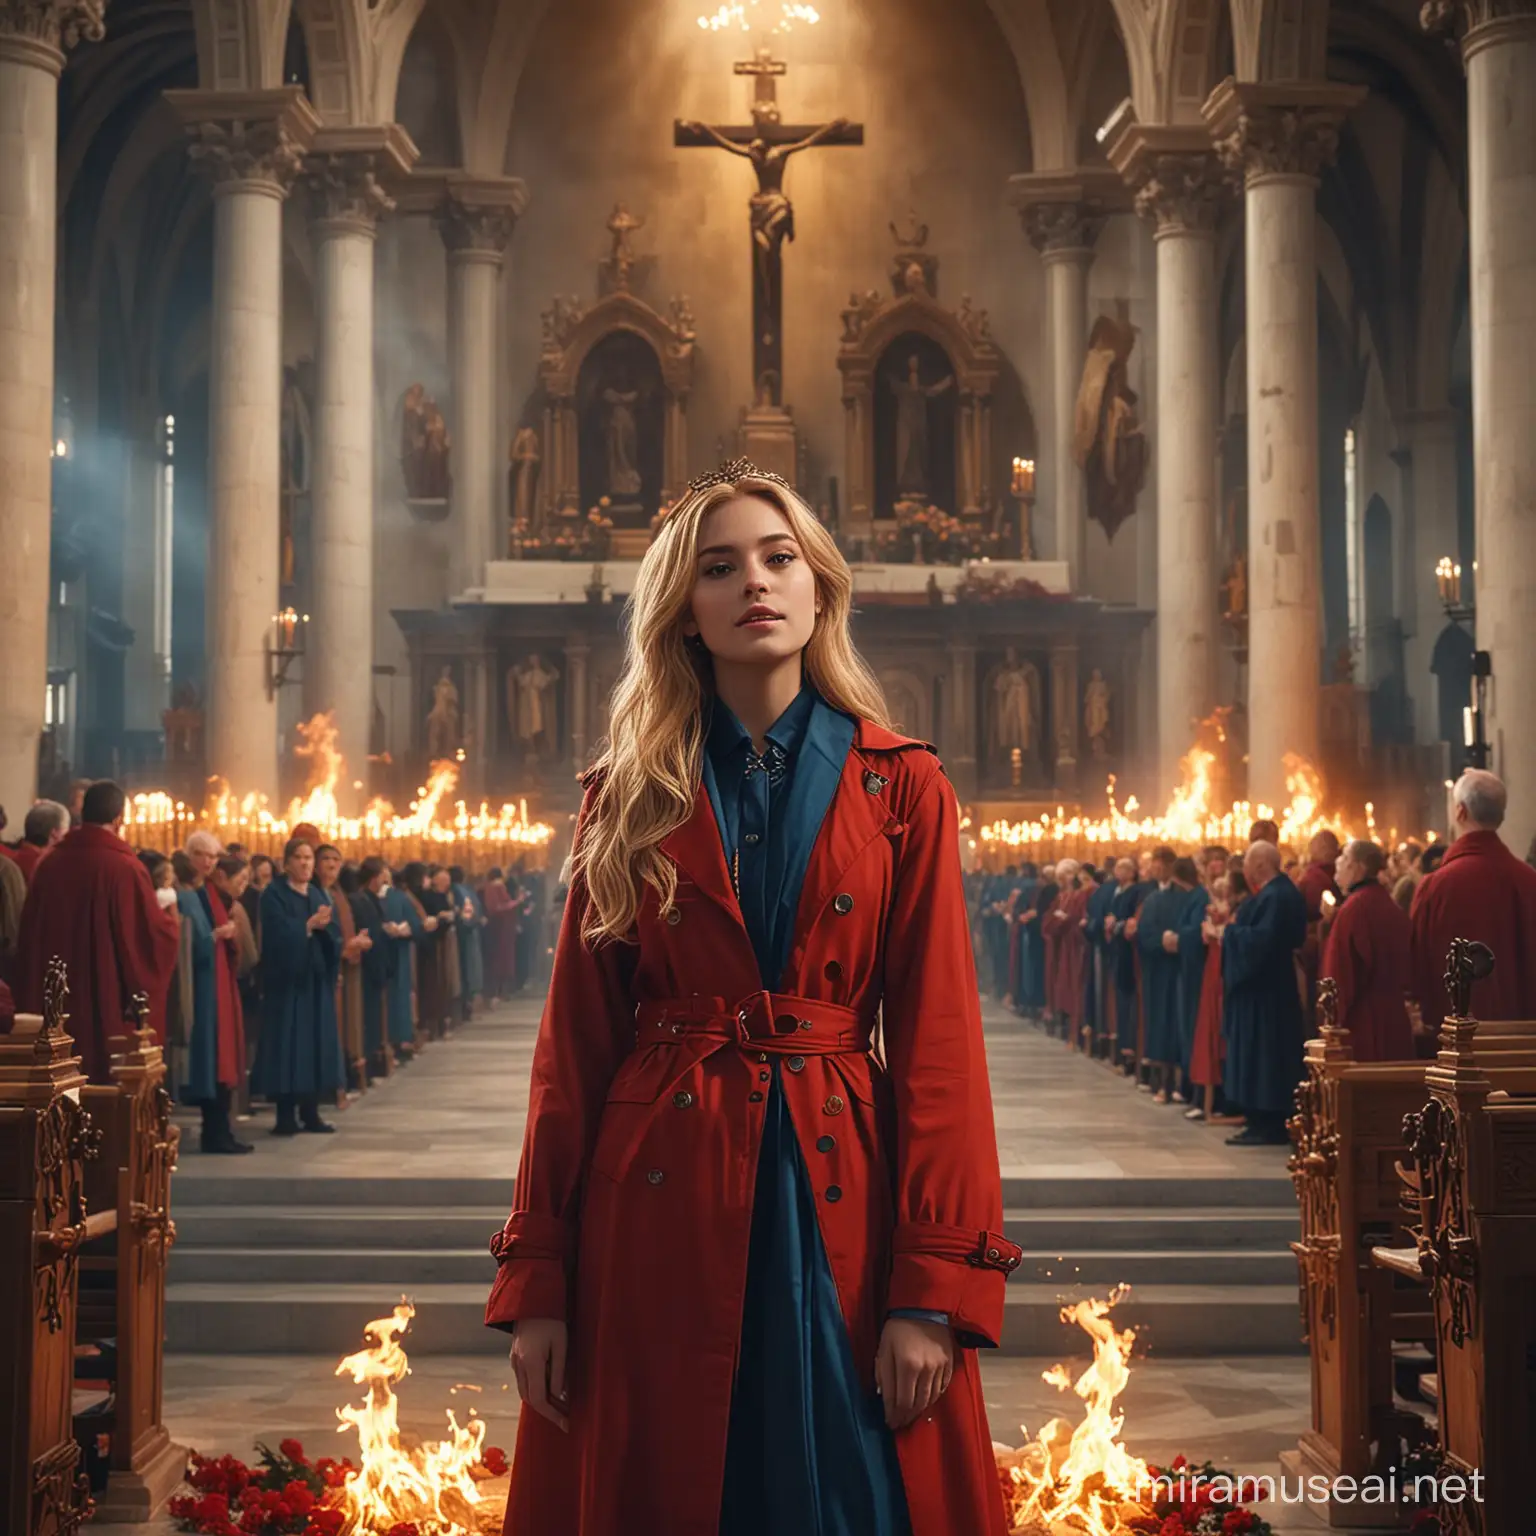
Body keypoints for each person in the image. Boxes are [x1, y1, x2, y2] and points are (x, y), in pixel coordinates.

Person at [487, 460, 1019, 1536]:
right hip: (654, 1197)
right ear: (685, 608)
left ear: (820, 586)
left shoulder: (904, 783)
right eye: (720, 567)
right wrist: (539, 1281)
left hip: (844, 1192)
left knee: (857, 1489)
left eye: (779, 559)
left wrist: (932, 1290)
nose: (755, 584)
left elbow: (940, 1045)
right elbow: (573, 1049)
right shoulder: (624, 793)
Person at [11, 781, 180, 1079]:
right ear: (118, 819)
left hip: (53, 1003)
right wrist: (169, 920)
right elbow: (148, 941)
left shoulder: (49, 863)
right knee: (100, 1076)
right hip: (104, 1000)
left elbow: (29, 935)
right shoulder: (124, 867)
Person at [1411, 770, 1536, 1031]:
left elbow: (1417, 969)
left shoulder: (1435, 887)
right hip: (1526, 1047)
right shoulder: (1529, 881)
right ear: (1500, 816)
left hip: (1457, 1049)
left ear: (1460, 812)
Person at [1218, 841, 1308, 1145]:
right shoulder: (1276, 893)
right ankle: (1259, 1119)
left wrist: (1228, 933)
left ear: (1260, 865)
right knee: (1263, 1056)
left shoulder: (1277, 895)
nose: (1243, 870)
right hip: (1266, 991)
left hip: (1265, 994)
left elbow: (1262, 943)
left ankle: (1268, 1121)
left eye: (1246, 863)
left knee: (1265, 1057)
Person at [253, 838, 344, 1135]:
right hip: (287, 984)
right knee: (288, 1047)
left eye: (309, 858)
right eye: (299, 858)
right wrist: (306, 926)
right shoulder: (274, 895)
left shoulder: (317, 893)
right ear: (287, 862)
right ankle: (285, 1114)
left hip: (313, 983)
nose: (305, 863)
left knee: (314, 1046)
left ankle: (311, 1111)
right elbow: (277, 934)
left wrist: (334, 937)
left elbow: (331, 930)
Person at [177, 831, 251, 1152]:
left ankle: (221, 1130)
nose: (207, 861)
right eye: (201, 855)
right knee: (214, 1058)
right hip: (206, 988)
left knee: (223, 1057)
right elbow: (188, 943)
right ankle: (216, 1132)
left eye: (212, 855)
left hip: (221, 984)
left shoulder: (212, 897)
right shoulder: (190, 896)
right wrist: (216, 936)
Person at [1321, 839, 1413, 1061]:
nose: (1337, 863)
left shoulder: (1354, 910)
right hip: (1396, 1020)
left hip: (1363, 1026)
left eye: (1343, 857)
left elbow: (1339, 980)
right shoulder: (1391, 905)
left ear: (1357, 866)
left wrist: (1331, 1027)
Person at [1190, 871, 1249, 1124]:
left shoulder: (1241, 911)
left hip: (1224, 975)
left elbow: (1234, 937)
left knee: (1221, 1032)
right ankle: (1209, 1100)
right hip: (1213, 973)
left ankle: (1228, 1100)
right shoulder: (1219, 909)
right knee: (1210, 1030)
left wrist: (1218, 932)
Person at [318, 844, 372, 1091]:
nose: (331, 864)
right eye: (326, 859)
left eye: (336, 860)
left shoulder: (336, 892)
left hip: (344, 966)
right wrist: (344, 946)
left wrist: (356, 941)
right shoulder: (317, 892)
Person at [1134, 847, 1185, 1102]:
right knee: (1159, 1023)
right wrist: (1160, 943)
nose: (1155, 869)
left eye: (1158, 863)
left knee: (1177, 1022)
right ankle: (1160, 1082)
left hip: (1178, 967)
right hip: (1157, 968)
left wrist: (1176, 942)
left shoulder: (1183, 896)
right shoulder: (1152, 898)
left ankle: (1178, 1083)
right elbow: (1145, 933)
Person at [3, 798, 69, 885]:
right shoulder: (48, 870)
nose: (67, 836)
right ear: (55, 834)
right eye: (66, 830)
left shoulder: (6, 858)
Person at [450, 865, 484, 1018]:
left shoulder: (456, 891)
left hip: (461, 934)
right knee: (469, 969)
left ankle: (466, 1005)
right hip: (470, 932)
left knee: (463, 969)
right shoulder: (467, 891)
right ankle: (468, 1002)